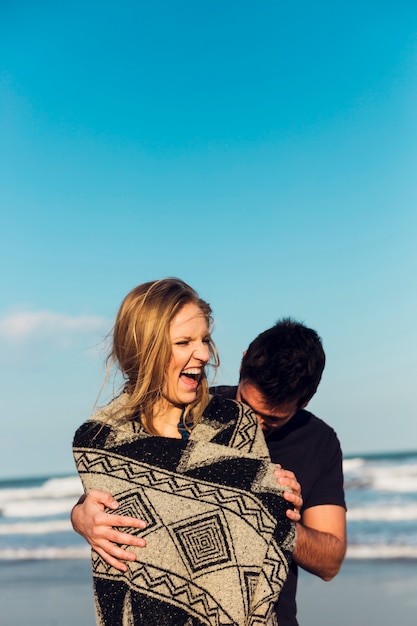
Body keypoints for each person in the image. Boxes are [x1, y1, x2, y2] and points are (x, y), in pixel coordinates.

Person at [72, 317, 346, 626]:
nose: (250, 425)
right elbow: (118, 484)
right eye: (246, 405)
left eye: (269, 420)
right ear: (242, 364)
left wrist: (269, 514)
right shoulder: (190, 407)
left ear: (305, 401)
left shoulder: (318, 442)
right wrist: (80, 516)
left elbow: (330, 562)